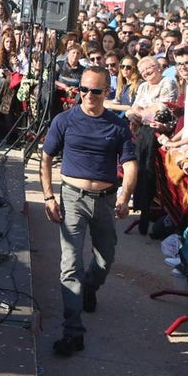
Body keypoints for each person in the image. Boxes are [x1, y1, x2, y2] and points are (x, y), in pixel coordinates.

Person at [39, 65, 137, 356]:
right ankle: (72, 332)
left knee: (105, 259)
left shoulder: (117, 125)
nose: (89, 96)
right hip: (71, 198)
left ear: (107, 92)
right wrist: (47, 197)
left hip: (106, 200)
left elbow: (130, 164)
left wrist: (125, 196)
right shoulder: (64, 120)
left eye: (96, 91)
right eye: (83, 90)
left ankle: (90, 288)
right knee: (70, 265)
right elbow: (45, 158)